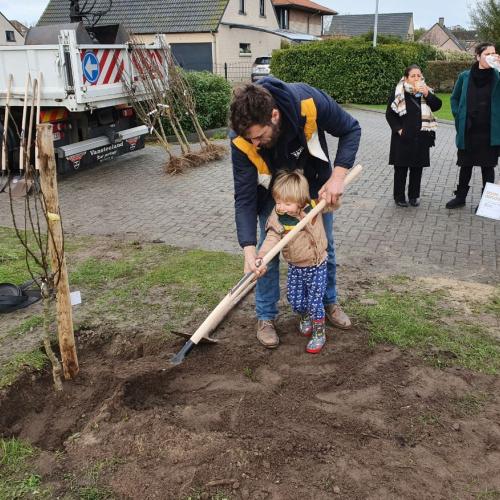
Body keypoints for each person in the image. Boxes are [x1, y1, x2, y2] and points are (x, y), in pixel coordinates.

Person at [229, 77, 361, 349]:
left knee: (326, 249)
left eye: (258, 136)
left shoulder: (308, 102)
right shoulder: (242, 140)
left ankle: (328, 303)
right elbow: (244, 197)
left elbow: (351, 129)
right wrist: (248, 250)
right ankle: (265, 318)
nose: (255, 144)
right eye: (249, 139)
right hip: (272, 194)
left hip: (312, 185)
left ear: (274, 116)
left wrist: (338, 176)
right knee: (267, 257)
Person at [257, 170, 333, 354]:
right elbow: (271, 239)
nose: (281, 207)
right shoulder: (278, 218)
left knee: (315, 301)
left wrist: (331, 196)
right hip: (296, 267)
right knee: (296, 300)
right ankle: (305, 316)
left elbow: (332, 205)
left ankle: (319, 332)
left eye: (287, 203)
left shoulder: (313, 208)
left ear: (300, 201)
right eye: (278, 201)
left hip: (317, 265)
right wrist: (262, 257)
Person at [446, 43, 500, 209]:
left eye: (494, 53)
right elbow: (454, 98)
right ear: (478, 56)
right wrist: (458, 116)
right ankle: (460, 197)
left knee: (487, 167)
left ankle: (486, 203)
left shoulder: (497, 76)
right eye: (487, 53)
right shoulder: (465, 76)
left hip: (490, 131)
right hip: (469, 130)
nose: (492, 56)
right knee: (465, 165)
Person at [385, 65, 442, 207]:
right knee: (401, 168)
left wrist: (427, 94)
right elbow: (390, 114)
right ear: (406, 78)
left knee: (417, 168)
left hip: (422, 136)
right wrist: (399, 130)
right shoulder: (399, 92)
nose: (417, 78)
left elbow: (437, 105)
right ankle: (399, 197)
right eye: (413, 76)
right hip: (403, 137)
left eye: (419, 75)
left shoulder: (425, 91)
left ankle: (414, 196)